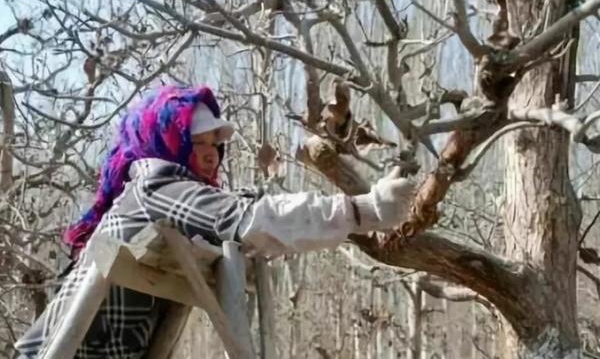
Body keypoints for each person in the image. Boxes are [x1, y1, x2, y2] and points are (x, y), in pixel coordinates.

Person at [14, 85, 415, 358]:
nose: (211, 155)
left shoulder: (182, 203)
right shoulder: (156, 183)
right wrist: (365, 210)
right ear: (166, 141)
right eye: (198, 143)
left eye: (215, 145)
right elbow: (253, 220)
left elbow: (250, 213)